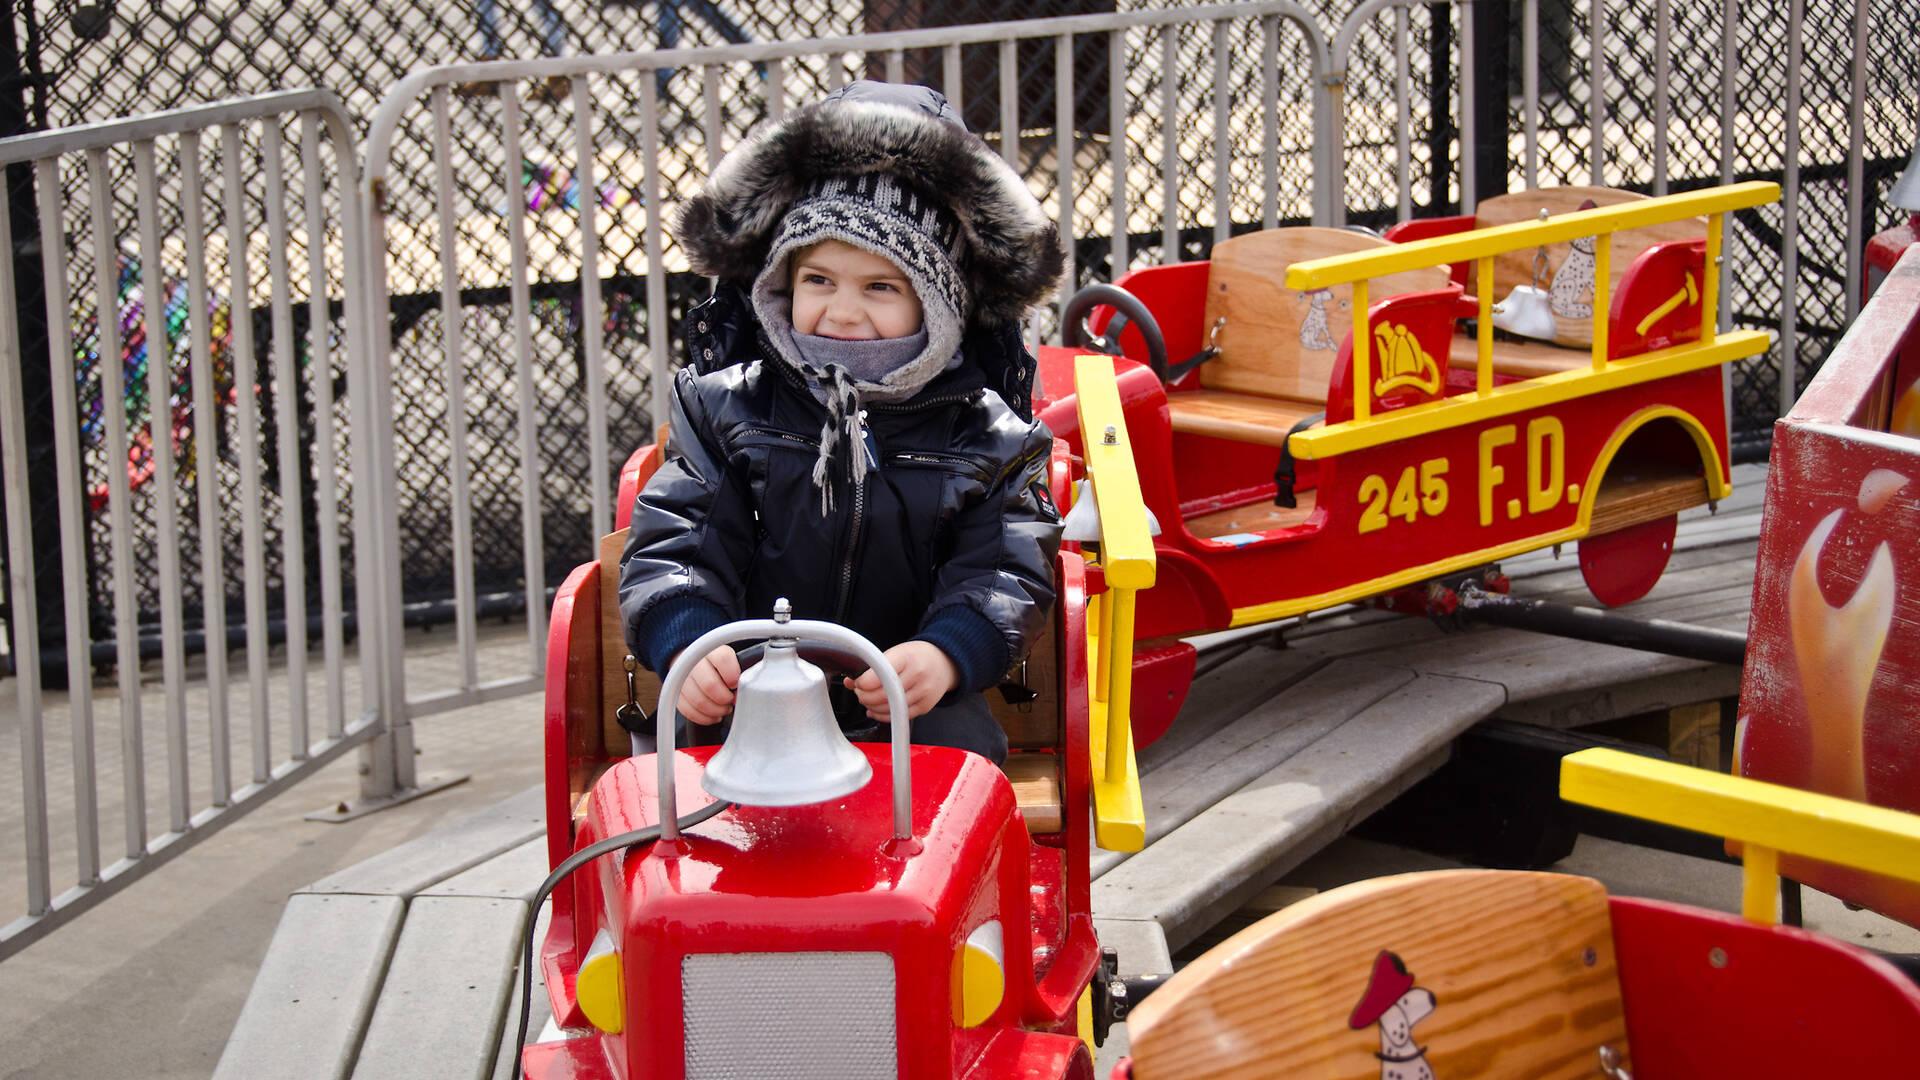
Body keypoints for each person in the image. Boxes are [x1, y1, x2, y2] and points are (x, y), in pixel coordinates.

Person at [618, 80, 1066, 764]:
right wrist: (690, 638)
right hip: (749, 691)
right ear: (780, 281)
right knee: (679, 768)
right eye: (818, 280)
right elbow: (679, 542)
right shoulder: (724, 407)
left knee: (967, 764)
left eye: (880, 287)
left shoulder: (989, 436)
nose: (843, 311)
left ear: (938, 306)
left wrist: (948, 651)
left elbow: (1005, 566)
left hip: (908, 699)